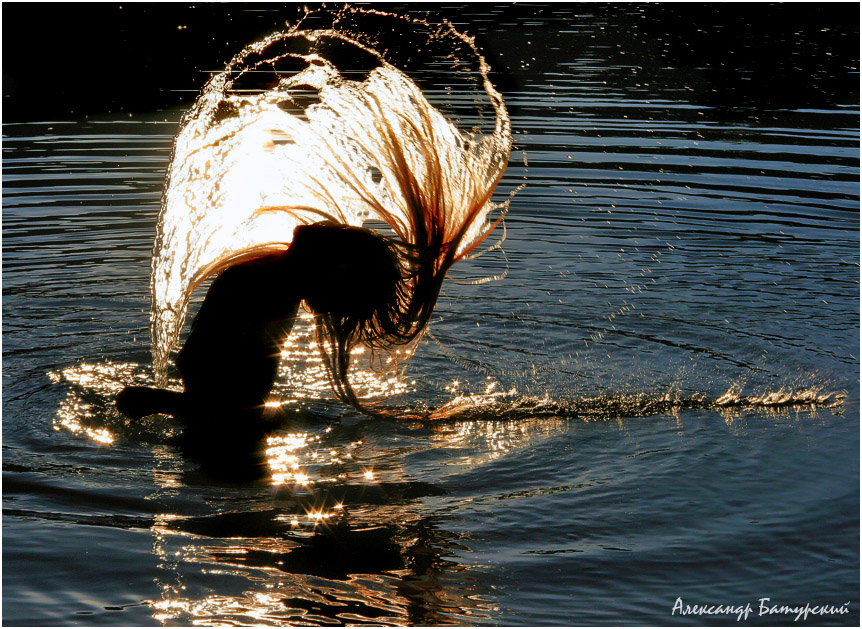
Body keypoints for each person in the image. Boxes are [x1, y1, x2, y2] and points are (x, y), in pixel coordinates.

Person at [117, 222, 402, 479]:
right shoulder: (267, 289)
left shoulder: (280, 277)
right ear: (336, 269)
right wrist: (175, 405)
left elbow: (217, 371)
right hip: (224, 431)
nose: (343, 307)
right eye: (354, 288)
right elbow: (216, 374)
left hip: (224, 414)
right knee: (245, 490)